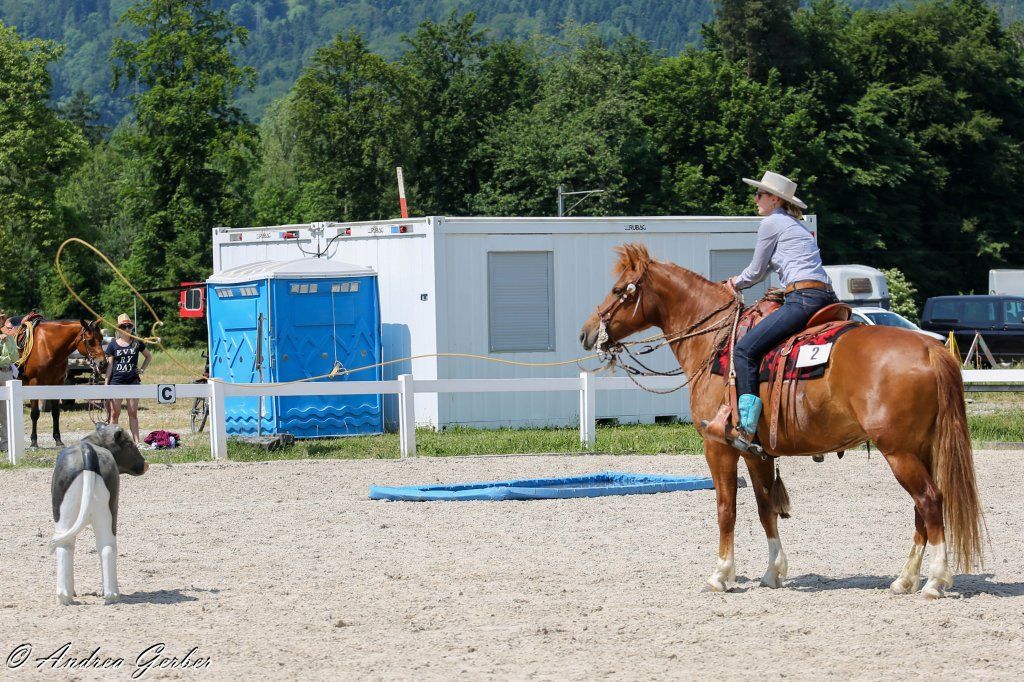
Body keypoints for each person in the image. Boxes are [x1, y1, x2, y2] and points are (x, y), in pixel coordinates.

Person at [725, 171, 837, 451]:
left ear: (774, 199)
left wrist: (733, 283)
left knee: (744, 351)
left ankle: (748, 429)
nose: (755, 199)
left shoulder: (771, 223)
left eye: (760, 194)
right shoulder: (796, 225)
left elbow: (756, 271)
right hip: (826, 297)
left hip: (803, 298)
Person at [104, 314, 152, 445]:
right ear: (119, 328)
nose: (127, 328)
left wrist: (142, 369)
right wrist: (106, 384)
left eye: (129, 326)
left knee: (133, 412)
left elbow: (148, 356)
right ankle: (112, 442)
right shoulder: (113, 345)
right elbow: (110, 366)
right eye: (123, 326)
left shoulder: (137, 343)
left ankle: (137, 442)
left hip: (132, 382)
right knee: (114, 414)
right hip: (116, 382)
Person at [0, 314, 18, 453]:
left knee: (5, 412)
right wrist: (6, 357)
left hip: (6, 373)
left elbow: (15, 357)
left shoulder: (10, 339)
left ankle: (5, 445)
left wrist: (6, 343)